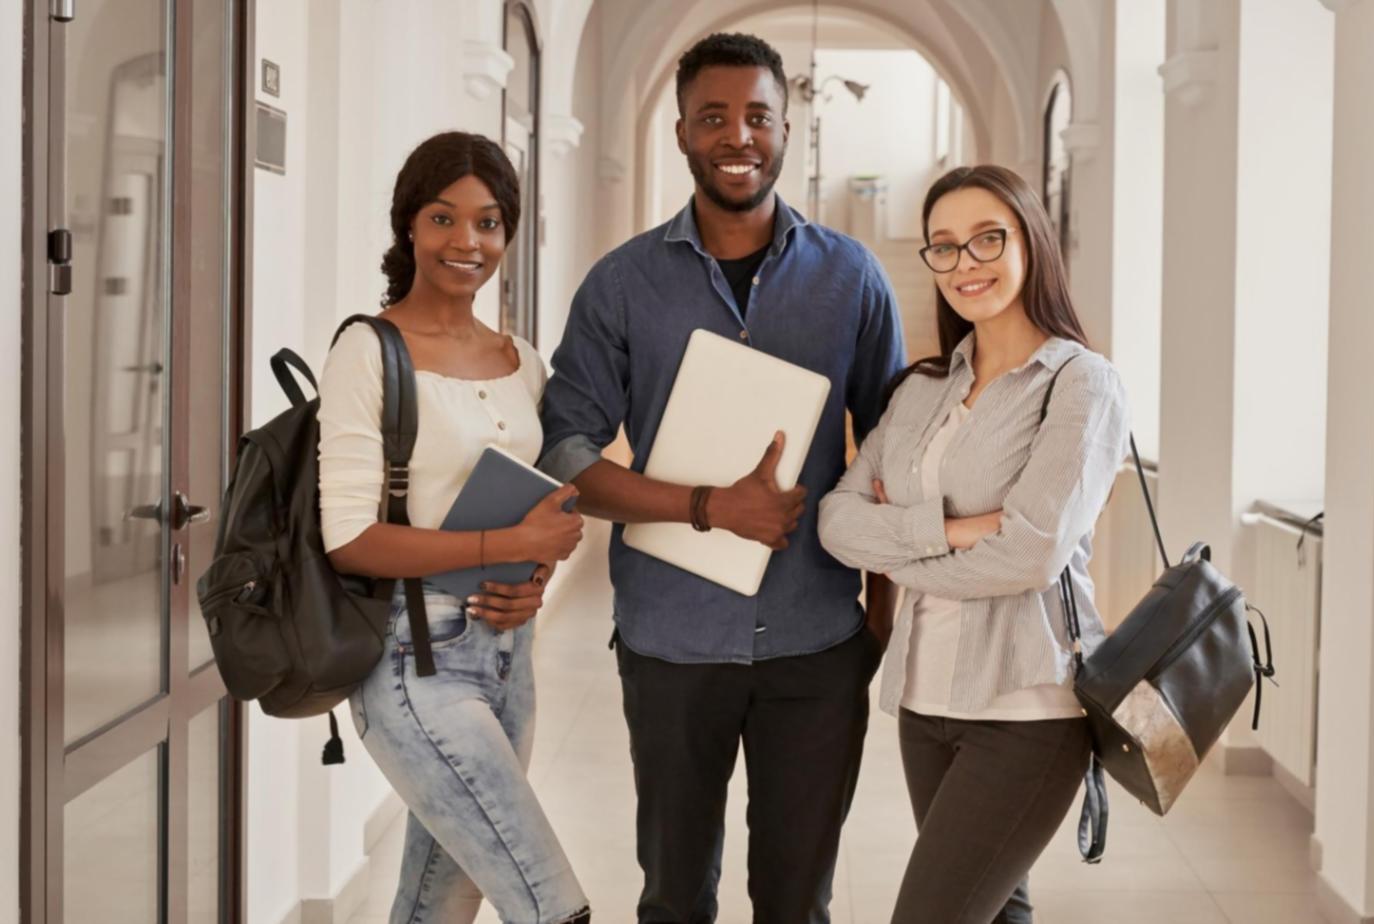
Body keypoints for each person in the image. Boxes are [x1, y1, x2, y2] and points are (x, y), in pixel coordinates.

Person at [537, 32, 906, 924]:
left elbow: (895, 450)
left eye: (757, 116)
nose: (737, 136)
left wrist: (879, 617)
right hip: (671, 641)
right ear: (681, 133)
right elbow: (566, 457)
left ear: (788, 127)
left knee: (796, 903)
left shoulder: (852, 277)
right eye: (714, 117)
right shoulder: (620, 285)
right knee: (672, 899)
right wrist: (708, 508)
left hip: (818, 642)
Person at [818, 164, 1130, 924]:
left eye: (988, 239)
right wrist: (954, 531)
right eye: (945, 247)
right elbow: (835, 522)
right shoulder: (922, 387)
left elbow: (1030, 556)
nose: (966, 264)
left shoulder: (1080, 383)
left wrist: (899, 549)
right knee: (997, 911)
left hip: (1027, 708)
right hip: (925, 700)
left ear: (1032, 241)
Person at [318, 131, 590, 924]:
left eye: (488, 222)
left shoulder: (523, 361)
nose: (466, 241)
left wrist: (534, 579)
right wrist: (511, 547)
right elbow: (349, 537)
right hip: (414, 661)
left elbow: (541, 507)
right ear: (410, 226)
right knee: (550, 903)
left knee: (440, 903)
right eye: (444, 218)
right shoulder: (369, 351)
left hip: (510, 662)